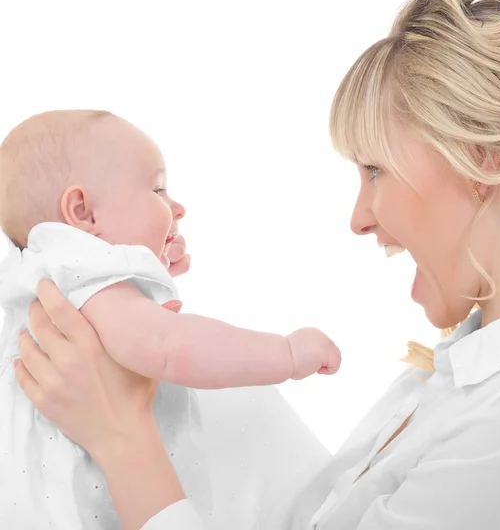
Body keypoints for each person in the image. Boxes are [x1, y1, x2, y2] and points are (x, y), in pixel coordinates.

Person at [14, 0, 500, 529]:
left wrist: (122, 440)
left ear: (482, 157)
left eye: (375, 170)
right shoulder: (473, 373)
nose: (358, 218)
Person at [0, 111, 339, 529]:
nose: (177, 206)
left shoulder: (41, 275)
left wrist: (142, 282)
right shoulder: (90, 281)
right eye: (157, 189)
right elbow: (168, 346)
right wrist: (285, 353)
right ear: (83, 211)